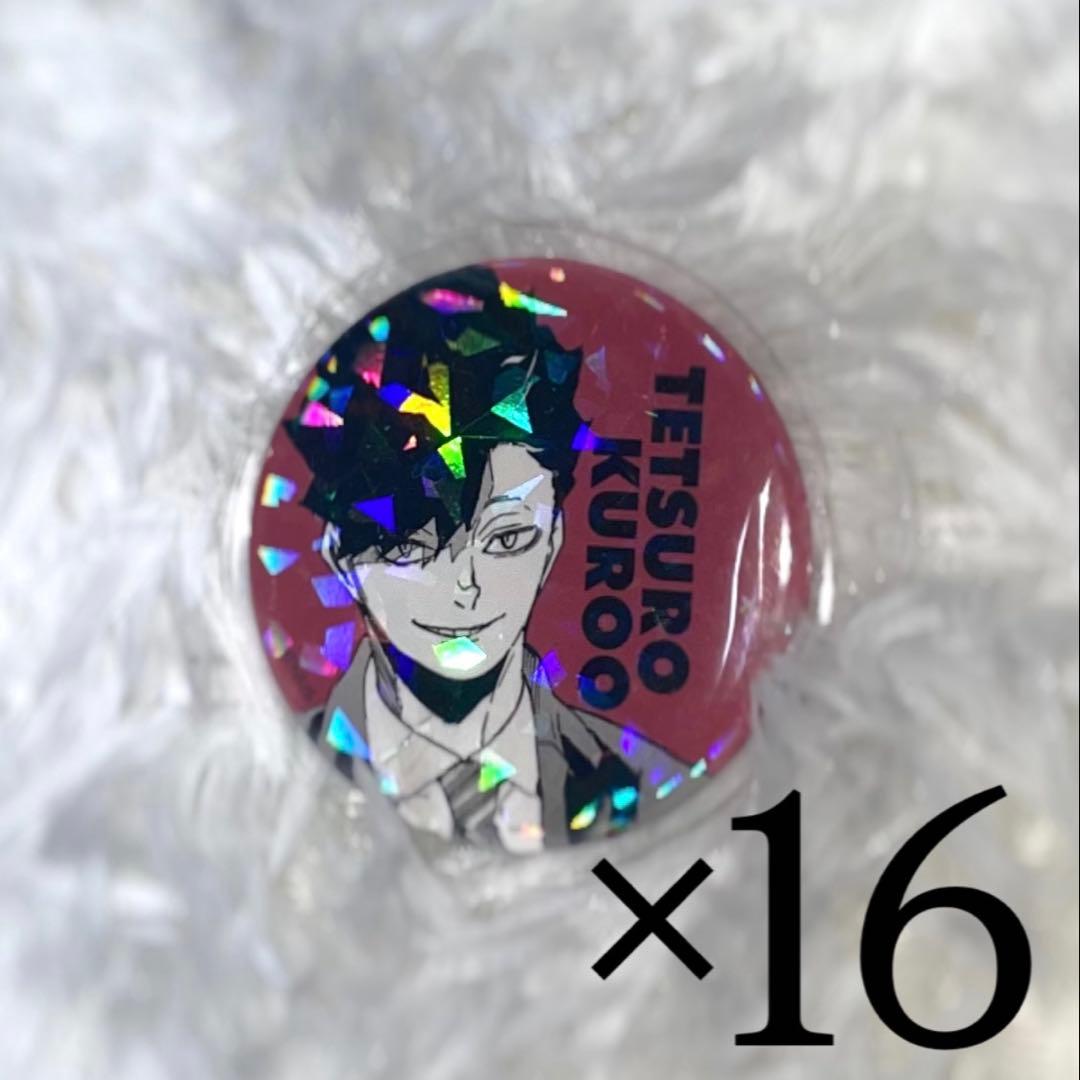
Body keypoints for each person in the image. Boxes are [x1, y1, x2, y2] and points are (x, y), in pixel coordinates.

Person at [286, 266, 688, 851]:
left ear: (552, 542)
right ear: (341, 557)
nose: (465, 587)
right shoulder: (278, 784)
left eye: (506, 539)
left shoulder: (653, 785)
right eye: (414, 548)